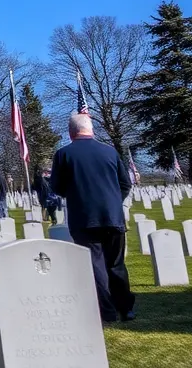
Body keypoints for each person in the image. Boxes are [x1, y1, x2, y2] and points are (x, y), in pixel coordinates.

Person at [49, 113, 135, 323]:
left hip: (84, 217)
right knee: (116, 264)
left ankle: (106, 311)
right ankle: (126, 309)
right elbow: (125, 184)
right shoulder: (110, 151)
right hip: (113, 216)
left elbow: (56, 187)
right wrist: (113, 201)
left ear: (71, 132)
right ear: (92, 129)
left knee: (94, 262)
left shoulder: (63, 154)